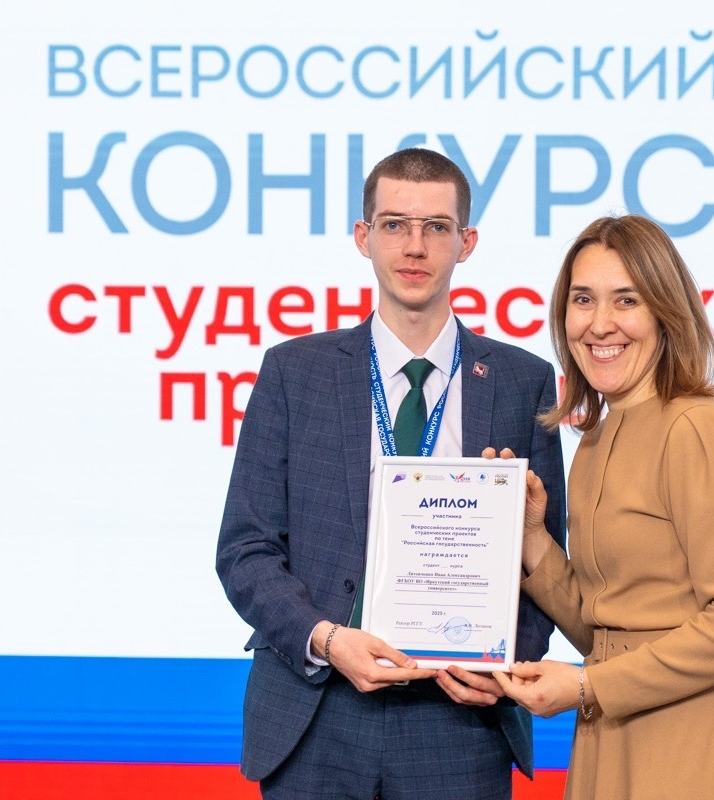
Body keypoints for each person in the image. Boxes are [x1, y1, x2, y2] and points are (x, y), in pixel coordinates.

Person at [216, 147, 567, 800]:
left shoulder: (522, 382)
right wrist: (325, 640)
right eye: (395, 224)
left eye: (436, 227)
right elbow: (245, 548)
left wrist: (501, 660)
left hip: (459, 721)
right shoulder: (295, 373)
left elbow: (544, 559)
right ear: (363, 236)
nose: (415, 246)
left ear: (466, 242)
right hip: (318, 708)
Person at [492, 215, 714, 799]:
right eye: (583, 299)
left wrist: (588, 687)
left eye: (626, 300)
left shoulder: (696, 427)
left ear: (665, 312)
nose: (600, 323)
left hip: (696, 739)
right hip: (615, 732)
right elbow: (606, 626)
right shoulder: (596, 439)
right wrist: (531, 536)